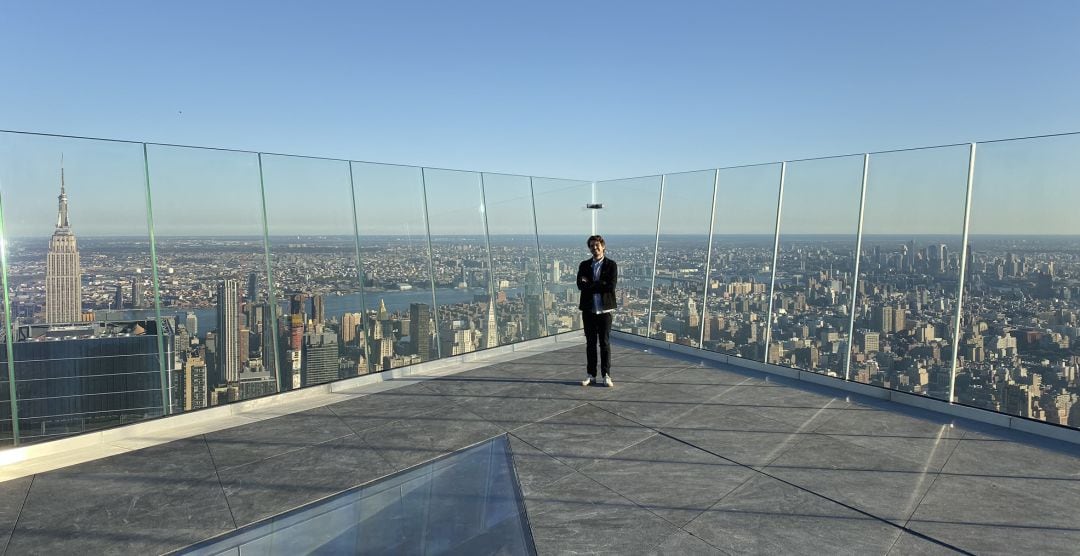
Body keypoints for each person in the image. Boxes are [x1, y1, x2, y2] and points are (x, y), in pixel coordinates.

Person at [577, 234, 617, 387]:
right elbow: (580, 285)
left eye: (597, 245)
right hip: (589, 311)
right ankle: (591, 375)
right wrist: (599, 284)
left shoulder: (611, 265)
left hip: (605, 311)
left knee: (605, 344)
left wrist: (591, 284)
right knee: (590, 344)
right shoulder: (584, 265)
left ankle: (606, 375)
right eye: (592, 246)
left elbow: (610, 286)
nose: (595, 248)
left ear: (603, 246)